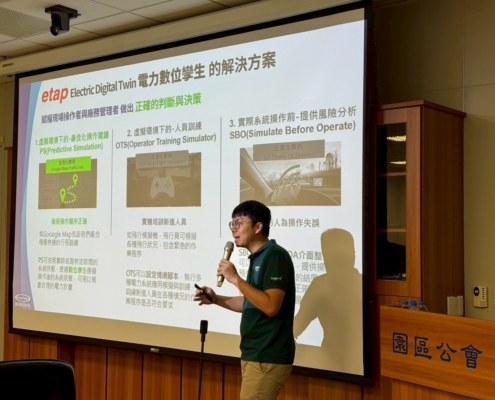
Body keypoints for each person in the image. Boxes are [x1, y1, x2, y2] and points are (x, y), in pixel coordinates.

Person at [195, 200, 295, 400]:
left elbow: (271, 306)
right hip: (254, 354)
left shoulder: (274, 256)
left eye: (239, 223)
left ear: (258, 227)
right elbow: (252, 302)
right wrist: (216, 299)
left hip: (267, 355)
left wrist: (235, 279)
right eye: (232, 223)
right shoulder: (257, 257)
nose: (234, 229)